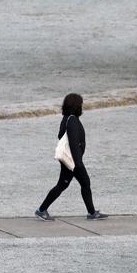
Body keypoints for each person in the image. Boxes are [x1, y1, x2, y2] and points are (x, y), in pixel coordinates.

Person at [36, 93, 107, 221]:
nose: (82, 106)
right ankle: (91, 213)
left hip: (69, 159)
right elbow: (73, 143)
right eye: (80, 104)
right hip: (73, 160)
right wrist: (78, 163)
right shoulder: (72, 119)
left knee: (62, 185)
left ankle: (41, 210)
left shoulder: (66, 118)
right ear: (76, 106)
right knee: (85, 183)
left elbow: (60, 136)